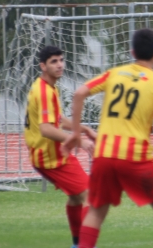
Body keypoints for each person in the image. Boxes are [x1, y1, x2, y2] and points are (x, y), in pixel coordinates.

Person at [62, 28, 153, 248]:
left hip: (104, 155)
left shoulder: (115, 74)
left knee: (95, 212)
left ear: (132, 51)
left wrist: (76, 133)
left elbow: (79, 93)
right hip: (136, 158)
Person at [24, 46, 97, 248]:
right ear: (43, 66)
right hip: (49, 157)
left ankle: (77, 244)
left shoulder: (47, 86)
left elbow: (56, 119)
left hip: (51, 154)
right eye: (54, 61)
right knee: (91, 196)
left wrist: (83, 129)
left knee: (76, 198)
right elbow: (46, 129)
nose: (59, 65)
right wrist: (79, 141)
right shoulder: (45, 91)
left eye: (61, 60)